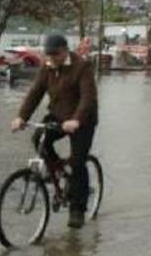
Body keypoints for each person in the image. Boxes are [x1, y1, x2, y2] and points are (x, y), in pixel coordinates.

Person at [10, 34, 98, 229]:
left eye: (55, 55)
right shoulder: (47, 66)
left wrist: (76, 120)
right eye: (48, 55)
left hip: (82, 119)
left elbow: (88, 98)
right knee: (39, 139)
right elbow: (35, 93)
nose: (51, 59)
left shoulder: (82, 67)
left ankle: (77, 209)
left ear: (65, 50)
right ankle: (57, 169)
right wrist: (21, 117)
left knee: (78, 162)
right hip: (58, 115)